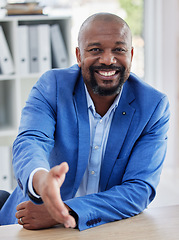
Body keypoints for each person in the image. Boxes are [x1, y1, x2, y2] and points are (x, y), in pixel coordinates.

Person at [0, 12, 170, 231]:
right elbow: (31, 141)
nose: (108, 60)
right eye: (95, 50)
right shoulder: (52, 86)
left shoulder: (153, 106)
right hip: (32, 222)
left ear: (131, 54)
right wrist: (42, 181)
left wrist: (66, 211)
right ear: (79, 56)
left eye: (119, 49)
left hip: (104, 227)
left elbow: (139, 189)